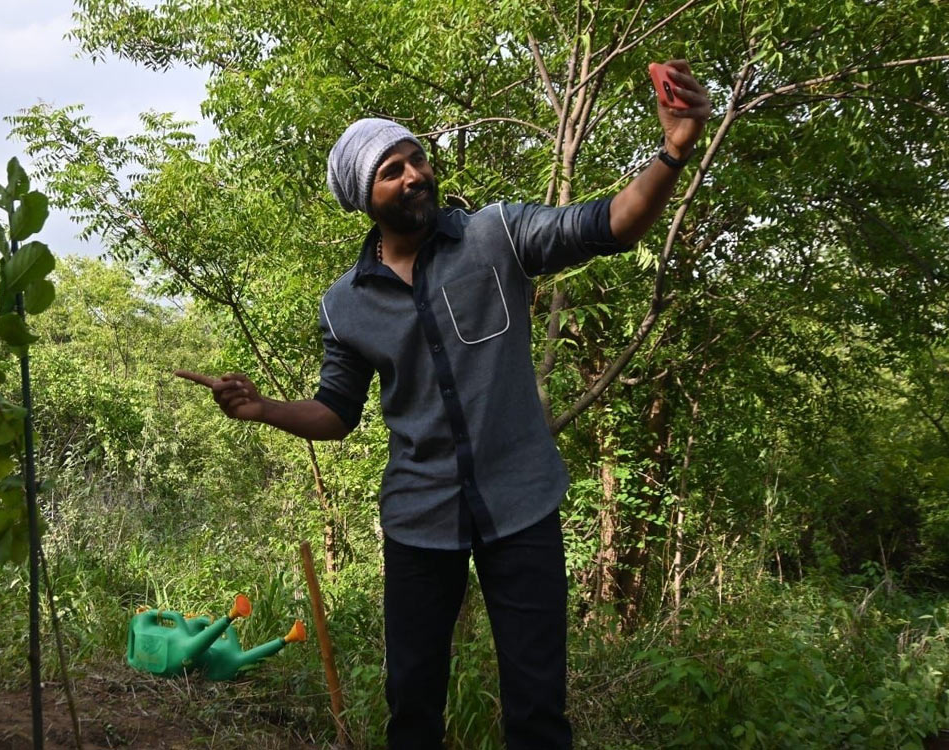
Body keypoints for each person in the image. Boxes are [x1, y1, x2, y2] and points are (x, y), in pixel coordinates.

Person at [176, 60, 712, 749]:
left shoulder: (498, 236)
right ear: (362, 198)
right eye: (391, 170)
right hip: (419, 520)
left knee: (538, 711)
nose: (414, 175)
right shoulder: (345, 305)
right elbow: (336, 413)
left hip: (522, 507)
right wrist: (262, 409)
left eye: (417, 159)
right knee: (413, 707)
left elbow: (611, 224)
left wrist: (673, 150)